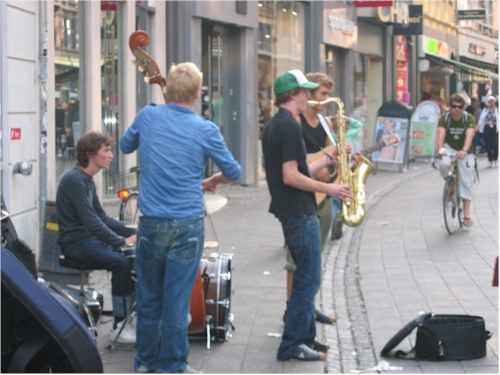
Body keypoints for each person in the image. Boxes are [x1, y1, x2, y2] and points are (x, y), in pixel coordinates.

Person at [120, 62, 241, 374]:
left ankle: (145, 364)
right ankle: (172, 366)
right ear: (197, 94)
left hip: (150, 223)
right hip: (187, 224)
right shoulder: (205, 129)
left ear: (169, 89)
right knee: (176, 301)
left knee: (148, 298)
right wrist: (213, 180)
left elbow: (124, 145)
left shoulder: (148, 115)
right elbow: (234, 172)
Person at [262, 69, 352, 361]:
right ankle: (292, 344)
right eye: (305, 92)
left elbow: (298, 171)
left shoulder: (278, 124)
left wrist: (330, 158)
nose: (310, 97)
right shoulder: (288, 127)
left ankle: (306, 339)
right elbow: (291, 177)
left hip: (294, 210)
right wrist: (329, 188)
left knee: (307, 277)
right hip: (299, 212)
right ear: (293, 95)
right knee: (307, 280)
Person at [56, 131, 137, 344]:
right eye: (107, 151)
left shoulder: (87, 180)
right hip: (75, 244)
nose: (111, 155)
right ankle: (119, 326)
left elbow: (103, 218)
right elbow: (92, 222)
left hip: (88, 241)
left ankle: (131, 316)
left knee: (132, 258)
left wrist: (135, 231)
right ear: (91, 153)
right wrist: (121, 241)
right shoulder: (74, 180)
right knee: (121, 263)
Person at [283, 72, 336, 325]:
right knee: (295, 262)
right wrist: (325, 163)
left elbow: (329, 158)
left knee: (316, 258)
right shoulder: (294, 121)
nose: (326, 99)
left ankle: (308, 306)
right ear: (308, 94)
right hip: (301, 198)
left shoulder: (326, 124)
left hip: (324, 195)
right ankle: (291, 308)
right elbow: (297, 168)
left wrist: (339, 163)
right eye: (323, 94)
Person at [435, 93, 476, 227]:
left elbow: (470, 135)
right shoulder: (444, 118)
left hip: (465, 151)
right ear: (449, 107)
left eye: (460, 107)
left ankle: (466, 214)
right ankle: (450, 183)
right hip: (450, 147)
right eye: (454, 106)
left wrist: (464, 150)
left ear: (464, 107)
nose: (457, 109)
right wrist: (439, 150)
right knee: (444, 165)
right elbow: (441, 134)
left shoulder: (468, 118)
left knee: (466, 181)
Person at [327, 112, 363, 240]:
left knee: (335, 198)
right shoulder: (349, 135)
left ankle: (336, 217)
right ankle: (340, 216)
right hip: (347, 169)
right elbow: (357, 124)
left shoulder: (330, 136)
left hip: (334, 170)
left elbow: (324, 121)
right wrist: (346, 119)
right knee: (344, 195)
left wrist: (333, 117)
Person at [477, 96, 499, 167]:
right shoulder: (485, 110)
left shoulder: (497, 110)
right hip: (487, 128)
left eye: (493, 101)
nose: (492, 103)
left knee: (495, 145)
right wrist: (478, 127)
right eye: (490, 102)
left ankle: (495, 159)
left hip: (495, 129)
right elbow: (481, 119)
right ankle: (490, 160)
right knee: (488, 146)